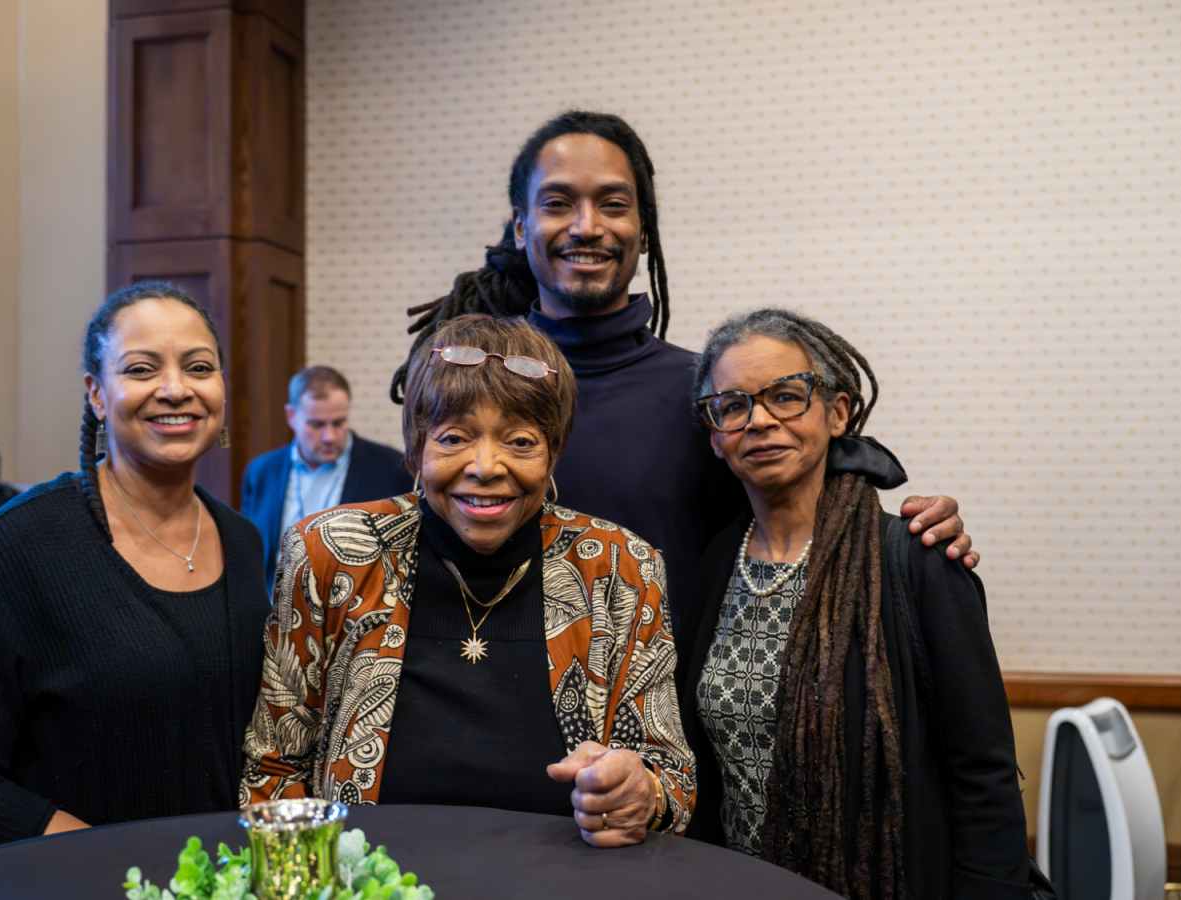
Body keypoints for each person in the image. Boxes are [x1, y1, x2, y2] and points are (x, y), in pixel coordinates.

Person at [397, 111, 975, 634]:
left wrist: (915, 536)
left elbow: (822, 504)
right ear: (521, 228)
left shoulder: (714, 399)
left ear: (645, 230)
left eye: (613, 204)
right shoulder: (466, 382)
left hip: (668, 710)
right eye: (558, 203)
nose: (586, 226)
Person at [243, 314, 695, 847]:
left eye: (520, 442)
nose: (486, 466)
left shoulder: (620, 567)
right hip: (370, 880)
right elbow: (274, 766)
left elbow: (672, 781)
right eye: (454, 438)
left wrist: (640, 791)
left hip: (561, 881)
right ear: (416, 446)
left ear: (553, 452)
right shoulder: (331, 553)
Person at [675, 309, 1033, 900]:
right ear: (716, 436)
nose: (759, 420)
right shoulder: (715, 563)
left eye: (785, 396)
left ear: (837, 412)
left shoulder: (916, 560)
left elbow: (984, 772)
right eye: (733, 405)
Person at [0, 282, 267, 853]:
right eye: (141, 369)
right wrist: (113, 866)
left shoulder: (242, 541)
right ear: (96, 394)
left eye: (199, 367)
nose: (176, 389)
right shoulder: (18, 545)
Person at [240, 366, 412, 596]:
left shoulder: (392, 470)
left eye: (338, 422)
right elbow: (249, 555)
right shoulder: (261, 472)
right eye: (317, 424)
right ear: (291, 416)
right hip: (275, 612)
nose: (329, 436)